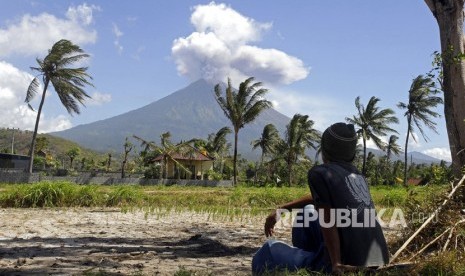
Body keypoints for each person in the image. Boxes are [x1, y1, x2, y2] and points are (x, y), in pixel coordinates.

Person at [252, 122, 389, 274]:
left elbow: (327, 218)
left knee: (266, 252)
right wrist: (281, 209)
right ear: (352, 154)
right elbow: (316, 200)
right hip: (377, 260)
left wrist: (336, 264)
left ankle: (318, 266)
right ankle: (313, 260)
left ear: (324, 150)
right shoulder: (357, 175)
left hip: (345, 263)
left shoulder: (319, 173)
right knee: (307, 212)